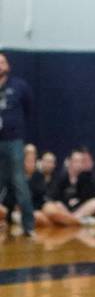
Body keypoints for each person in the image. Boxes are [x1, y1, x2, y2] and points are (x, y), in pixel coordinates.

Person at [0, 51, 35, 236]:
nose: (0, 65)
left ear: (8, 66)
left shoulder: (19, 86)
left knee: (19, 182)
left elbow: (29, 108)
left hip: (13, 140)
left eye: (2, 62)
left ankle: (28, 226)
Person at [41, 149, 95, 227]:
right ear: (69, 162)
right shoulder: (60, 178)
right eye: (76, 161)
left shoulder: (87, 179)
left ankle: (72, 220)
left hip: (79, 211)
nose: (78, 164)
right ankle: (79, 222)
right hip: (63, 210)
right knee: (52, 206)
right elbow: (52, 198)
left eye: (80, 161)